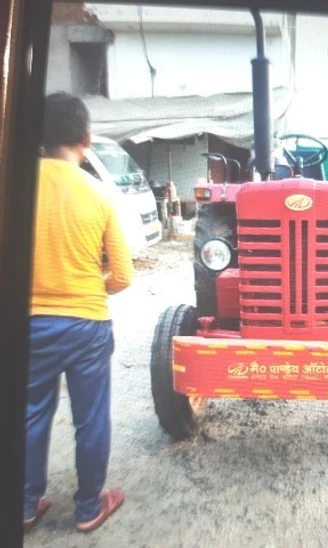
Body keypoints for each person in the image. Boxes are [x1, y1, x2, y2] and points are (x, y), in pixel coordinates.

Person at [24, 92, 134, 533]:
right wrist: (91, 287)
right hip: (87, 322)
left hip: (26, 321)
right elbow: (123, 276)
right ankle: (89, 507)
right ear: (86, 139)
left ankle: (24, 504)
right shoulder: (100, 194)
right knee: (91, 418)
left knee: (28, 412)